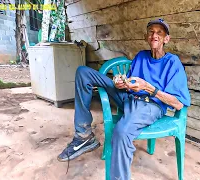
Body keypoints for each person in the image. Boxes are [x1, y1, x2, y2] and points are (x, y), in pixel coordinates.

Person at [58, 18, 191, 180]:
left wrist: (148, 88)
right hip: (129, 97)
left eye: (159, 32)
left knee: (121, 132)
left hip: (150, 106)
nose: (154, 35)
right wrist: (121, 82)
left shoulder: (172, 63)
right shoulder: (141, 56)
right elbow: (129, 81)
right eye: (151, 32)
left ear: (166, 39)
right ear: (146, 37)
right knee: (83, 73)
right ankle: (84, 136)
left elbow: (178, 103)